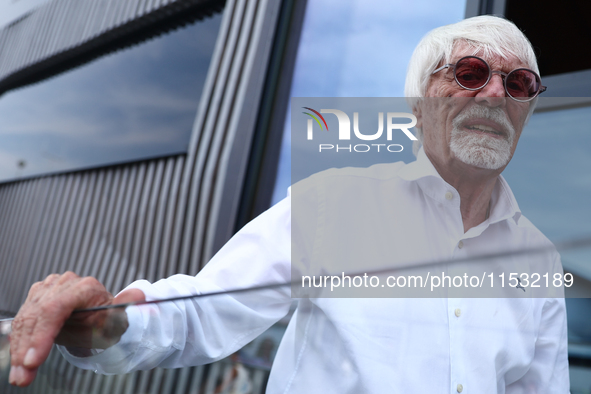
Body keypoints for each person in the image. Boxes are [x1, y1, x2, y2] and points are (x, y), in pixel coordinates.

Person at [8, 15, 568, 392]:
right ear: (419, 108)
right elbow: (203, 310)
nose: (496, 93)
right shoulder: (334, 205)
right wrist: (108, 321)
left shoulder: (539, 260)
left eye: (519, 83)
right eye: (470, 73)